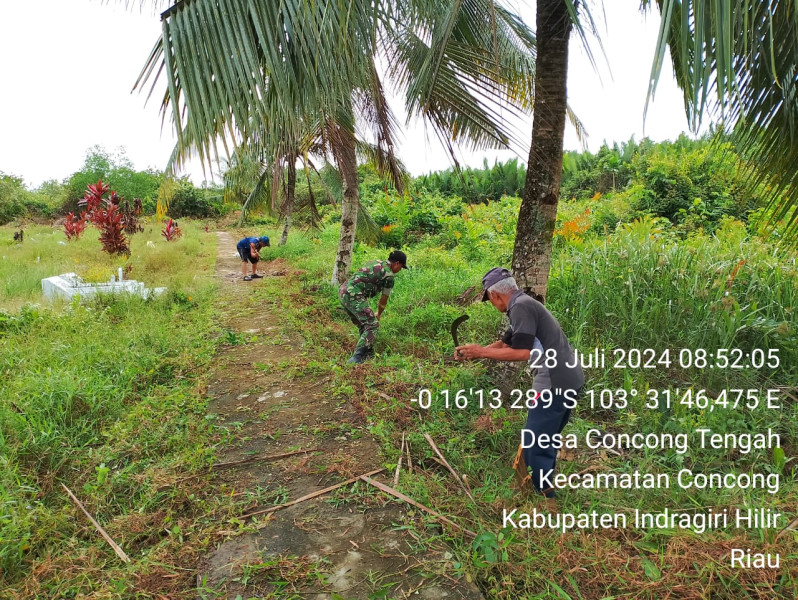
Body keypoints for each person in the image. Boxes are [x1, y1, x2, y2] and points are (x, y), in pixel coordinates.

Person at [456, 267, 585, 502]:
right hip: (568, 378)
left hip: (554, 381)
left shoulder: (521, 307)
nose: (492, 304)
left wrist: (481, 352)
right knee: (545, 437)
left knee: (535, 442)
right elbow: (507, 343)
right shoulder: (522, 304)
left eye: (490, 300)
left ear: (494, 295)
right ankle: (540, 489)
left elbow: (522, 352)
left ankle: (545, 499)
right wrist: (475, 351)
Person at [340, 250, 408, 364]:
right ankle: (357, 358)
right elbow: (383, 301)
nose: (400, 270)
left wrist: (365, 306)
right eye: (401, 267)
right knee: (372, 324)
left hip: (343, 291)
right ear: (396, 263)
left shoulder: (374, 262)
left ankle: (368, 353)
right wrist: (378, 314)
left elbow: (362, 281)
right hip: (354, 295)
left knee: (364, 324)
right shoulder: (389, 276)